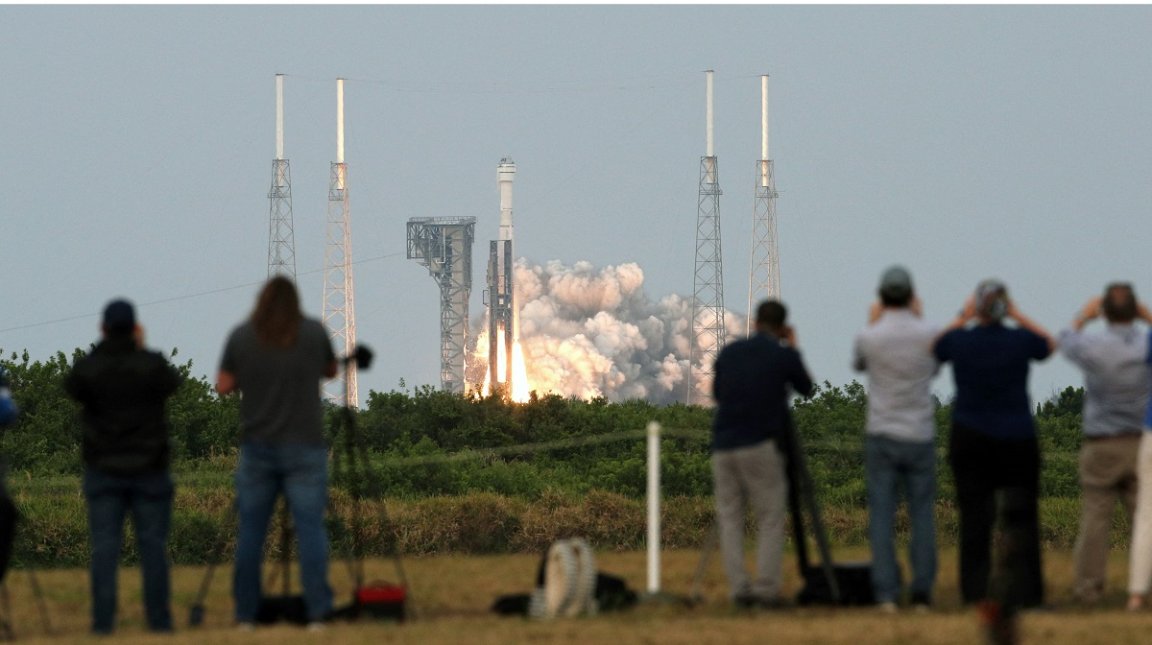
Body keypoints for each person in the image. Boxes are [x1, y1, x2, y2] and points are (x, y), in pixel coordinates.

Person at [216, 276, 338, 630]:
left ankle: (245, 615)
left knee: (252, 532)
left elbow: (223, 385)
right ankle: (318, 612)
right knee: (311, 530)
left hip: (259, 449)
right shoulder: (313, 332)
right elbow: (330, 370)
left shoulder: (242, 336)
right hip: (305, 447)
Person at [934, 280, 1055, 609]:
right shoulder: (1019, 340)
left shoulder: (961, 340)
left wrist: (963, 315)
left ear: (978, 308)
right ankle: (1030, 594)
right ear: (1004, 309)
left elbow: (935, 346)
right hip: (1017, 436)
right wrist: (1017, 314)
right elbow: (1048, 345)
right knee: (1024, 517)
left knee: (974, 518)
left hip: (971, 435)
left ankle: (974, 593)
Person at [64, 299, 182, 635]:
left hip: (104, 470)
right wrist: (139, 346)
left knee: (104, 548)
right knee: (153, 548)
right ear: (134, 328)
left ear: (102, 329)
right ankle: (159, 621)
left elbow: (73, 386)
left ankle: (103, 623)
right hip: (150, 470)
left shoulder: (90, 368)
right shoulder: (151, 365)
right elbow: (171, 383)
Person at [711, 299, 814, 608]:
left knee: (730, 519)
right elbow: (806, 388)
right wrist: (793, 349)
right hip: (759, 446)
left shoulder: (729, 353)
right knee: (770, 519)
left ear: (755, 324)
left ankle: (739, 590)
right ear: (782, 328)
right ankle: (766, 591)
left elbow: (717, 394)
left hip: (723, 446)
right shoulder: (782, 355)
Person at [853, 266, 940, 612]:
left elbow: (860, 364)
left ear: (882, 297)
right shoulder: (929, 334)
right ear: (911, 296)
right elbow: (933, 369)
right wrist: (918, 320)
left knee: (882, 516)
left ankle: (886, 593)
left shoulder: (869, 336)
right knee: (922, 516)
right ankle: (921, 593)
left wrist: (874, 324)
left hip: (883, 434)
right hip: (919, 435)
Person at [1059, 284, 1152, 604]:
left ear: (1104, 312)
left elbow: (1065, 341)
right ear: (1135, 311)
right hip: (1140, 441)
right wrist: (1147, 316)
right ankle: (1142, 587)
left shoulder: (1093, 345)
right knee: (1146, 517)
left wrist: (1082, 317)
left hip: (1101, 442)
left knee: (1096, 517)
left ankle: (1088, 588)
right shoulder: (1145, 344)